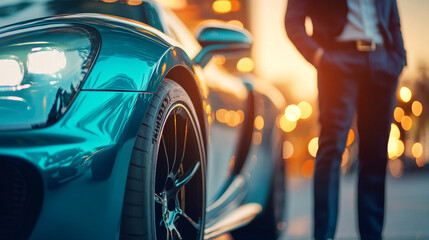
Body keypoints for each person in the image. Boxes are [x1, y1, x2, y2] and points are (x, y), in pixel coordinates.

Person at [284, 0, 407, 240]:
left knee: (375, 154)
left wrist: (398, 57)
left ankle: (372, 235)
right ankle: (324, 235)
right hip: (337, 61)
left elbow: (392, 14)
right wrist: (319, 56)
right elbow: (293, 21)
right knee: (331, 151)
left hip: (382, 61)